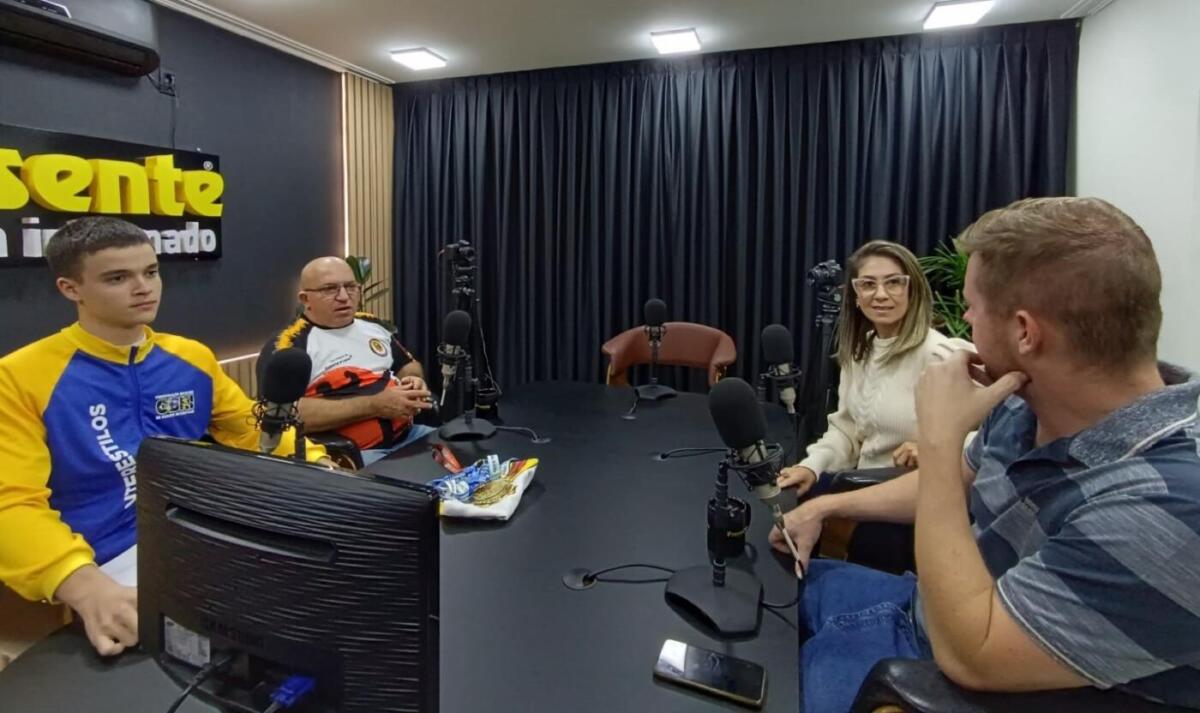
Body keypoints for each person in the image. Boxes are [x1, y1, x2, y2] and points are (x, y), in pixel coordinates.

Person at [772, 197, 1200, 712]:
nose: (965, 319)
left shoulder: (1168, 506)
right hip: (923, 606)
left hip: (955, 667)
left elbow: (973, 655)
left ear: (1024, 332)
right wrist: (825, 507)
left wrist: (938, 437)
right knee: (764, 593)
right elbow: (958, 478)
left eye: (972, 307)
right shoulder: (1023, 402)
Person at [0, 217, 328, 658]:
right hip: (101, 560)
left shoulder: (191, 357)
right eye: (118, 278)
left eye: (151, 272)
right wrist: (83, 585)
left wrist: (323, 466)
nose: (144, 288)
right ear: (70, 288)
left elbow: (253, 431)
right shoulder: (19, 377)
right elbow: (11, 504)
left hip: (200, 533)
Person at [778, 240, 973, 493]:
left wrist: (936, 447)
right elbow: (847, 432)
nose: (880, 294)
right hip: (863, 484)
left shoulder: (940, 354)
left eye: (893, 282)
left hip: (918, 494)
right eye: (868, 284)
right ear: (856, 296)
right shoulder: (859, 353)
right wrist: (811, 466)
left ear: (912, 290)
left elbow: (999, 431)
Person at [260, 257, 433, 464]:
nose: (343, 297)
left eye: (351, 287)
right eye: (329, 289)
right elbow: (280, 417)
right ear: (305, 299)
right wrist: (374, 405)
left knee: (461, 458)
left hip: (410, 434)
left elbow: (408, 365)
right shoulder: (288, 344)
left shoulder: (372, 325)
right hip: (352, 454)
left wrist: (412, 380)